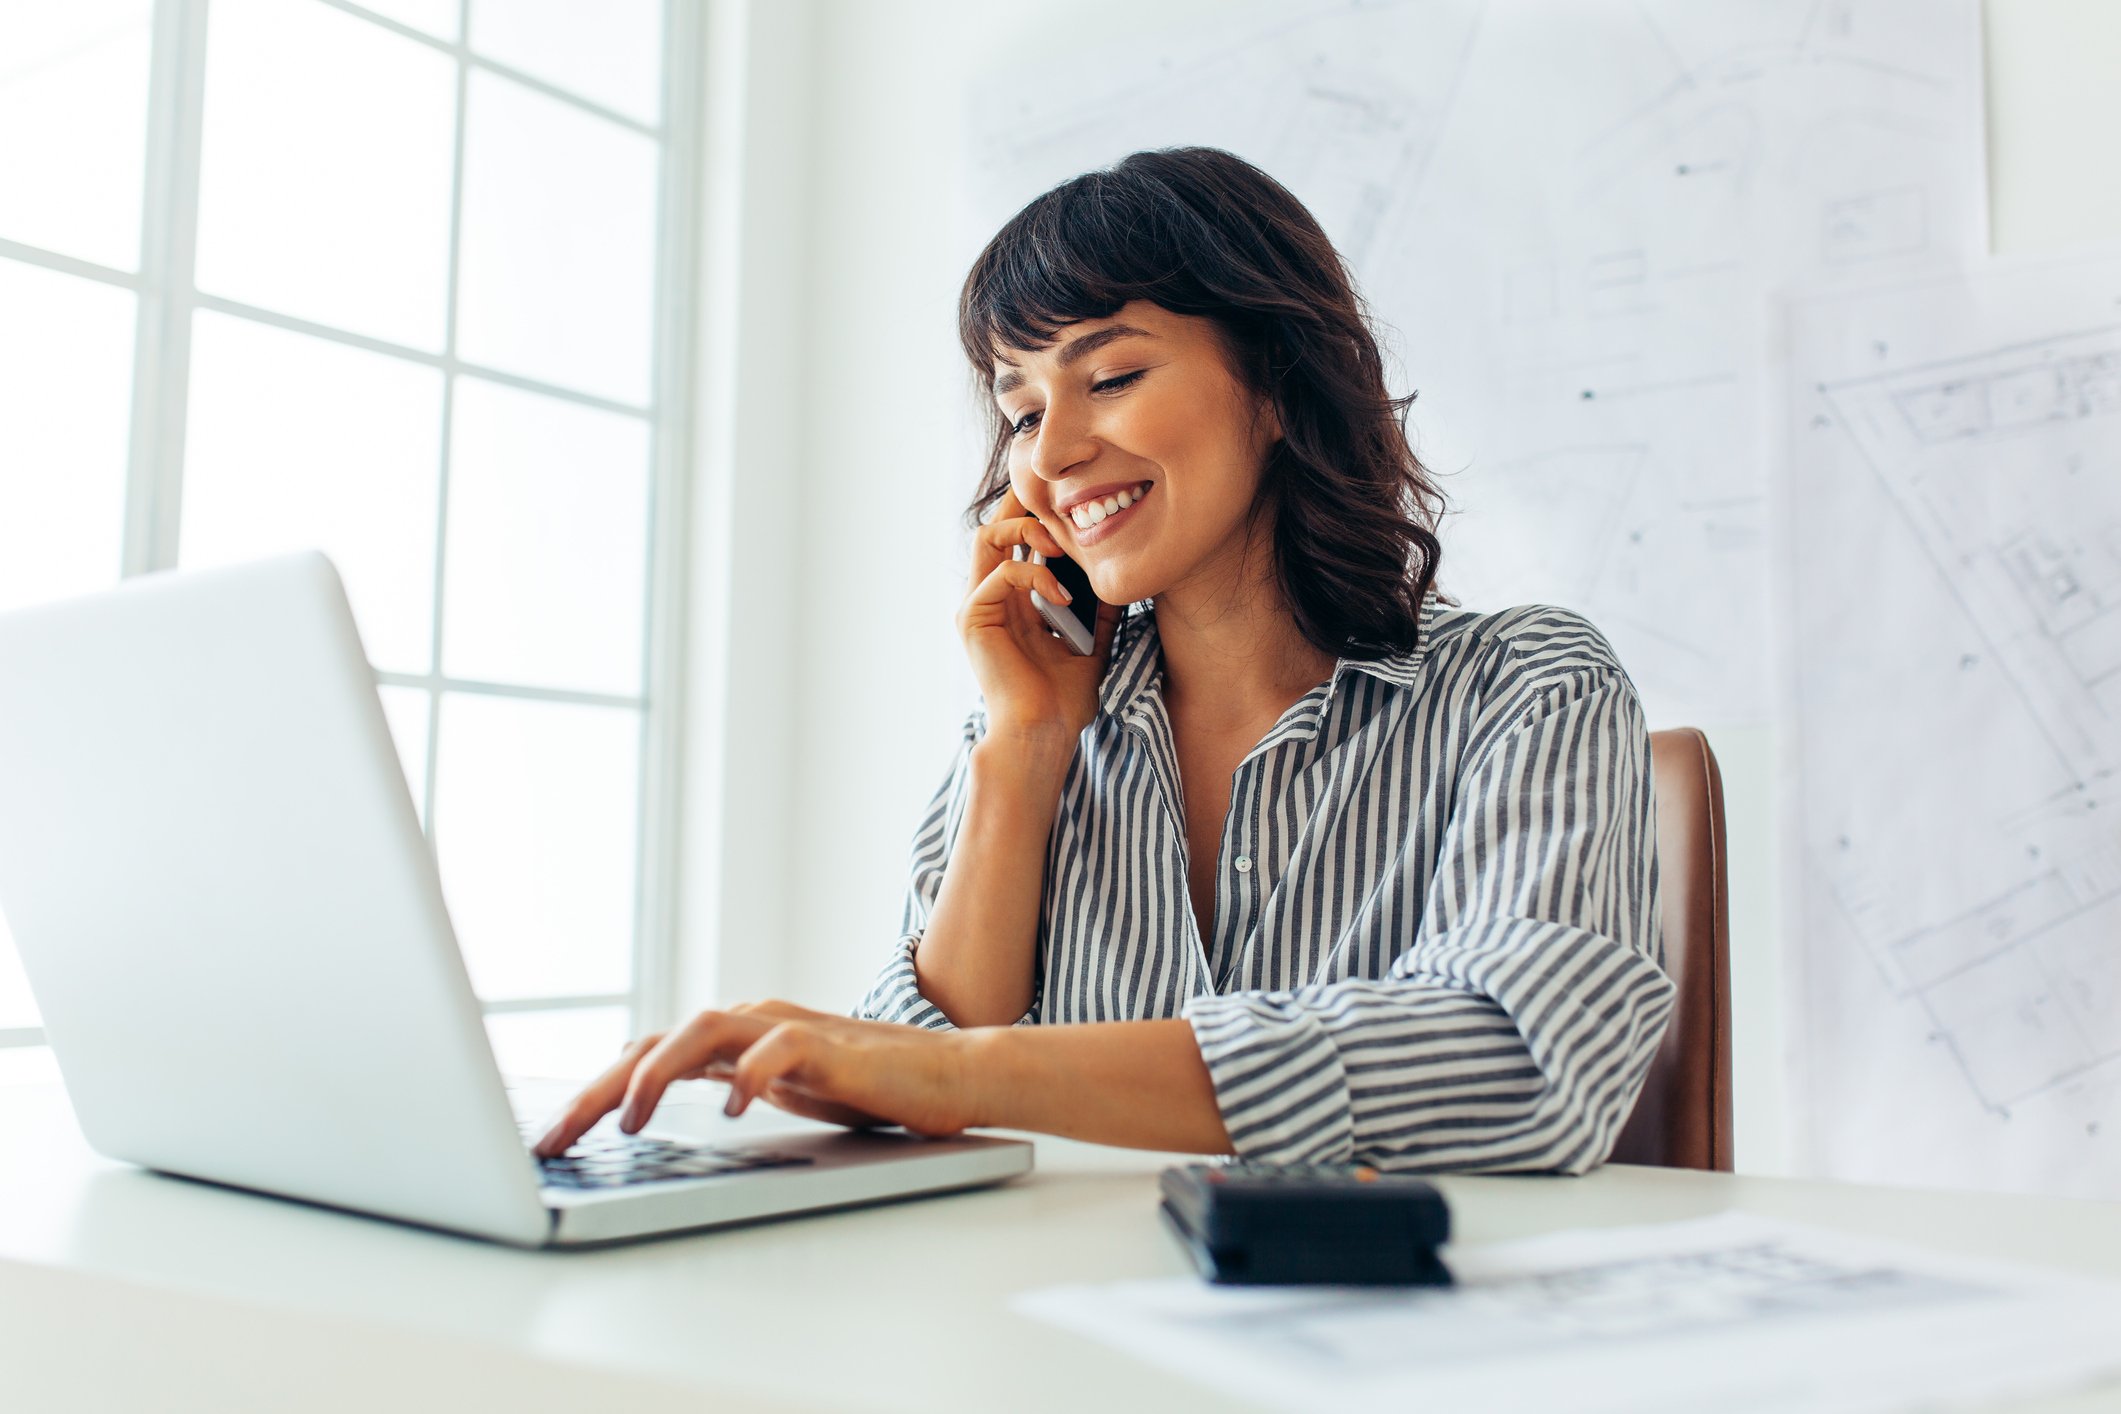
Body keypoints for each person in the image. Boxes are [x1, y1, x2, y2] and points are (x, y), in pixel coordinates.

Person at [538, 147, 1673, 1174]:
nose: (1055, 453)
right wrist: (1026, 745)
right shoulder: (1031, 730)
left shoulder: (1528, 686)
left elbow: (1523, 1058)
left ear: (1280, 382)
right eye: (1021, 412)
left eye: (1112, 378)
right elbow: (911, 1083)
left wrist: (962, 1075)